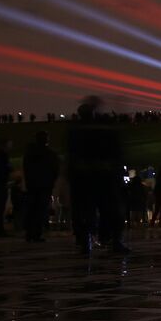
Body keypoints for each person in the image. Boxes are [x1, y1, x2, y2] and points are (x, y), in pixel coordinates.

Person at [66, 96, 129, 254]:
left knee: (87, 211)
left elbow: (71, 156)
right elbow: (117, 151)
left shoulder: (76, 130)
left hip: (86, 177)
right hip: (103, 177)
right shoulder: (104, 128)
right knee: (111, 210)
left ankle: (87, 240)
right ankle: (113, 241)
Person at [22, 131, 60, 242]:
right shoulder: (50, 154)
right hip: (44, 185)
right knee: (41, 210)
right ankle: (37, 233)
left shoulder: (29, 154)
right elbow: (55, 170)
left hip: (32, 185)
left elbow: (26, 169)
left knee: (32, 209)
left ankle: (30, 233)